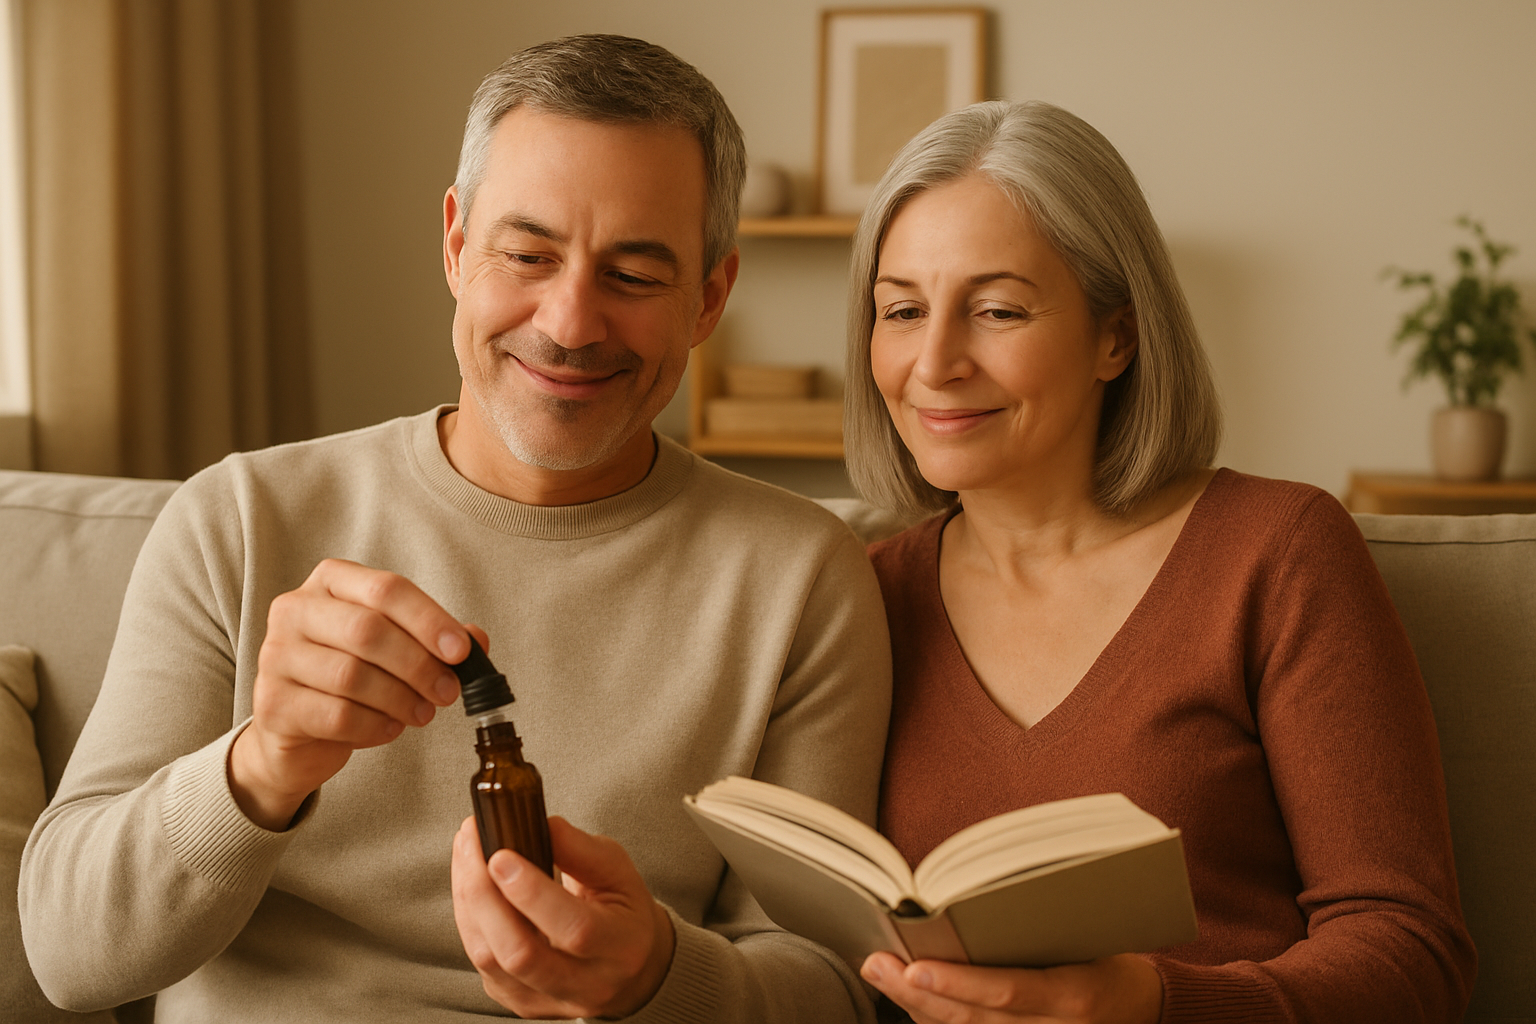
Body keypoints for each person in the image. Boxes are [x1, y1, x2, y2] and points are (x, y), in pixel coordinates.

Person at [20, 35, 891, 1024]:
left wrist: (657, 976)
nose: (569, 322)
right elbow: (66, 955)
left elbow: (834, 992)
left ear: (710, 296)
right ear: (454, 245)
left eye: (634, 275)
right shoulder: (239, 519)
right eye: (527, 255)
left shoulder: (802, 578)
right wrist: (263, 761)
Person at [843, 100, 1475, 1023]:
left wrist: (1154, 1006)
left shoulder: (1279, 552)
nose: (934, 361)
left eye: (997, 309)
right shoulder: (859, 592)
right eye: (902, 309)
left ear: (1117, 337)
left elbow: (1413, 953)